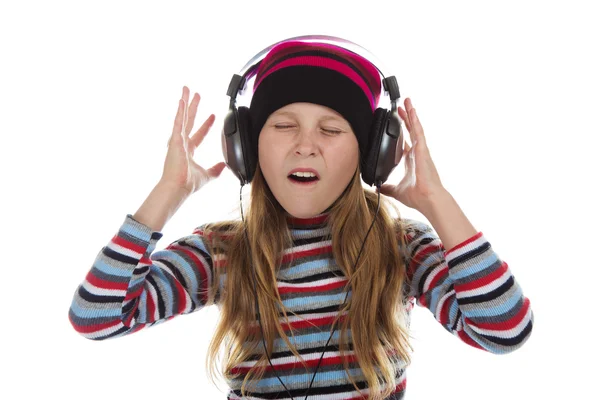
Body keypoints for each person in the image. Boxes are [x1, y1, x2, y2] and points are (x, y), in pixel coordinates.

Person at [68, 37, 534, 400]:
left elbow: (505, 330)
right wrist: (166, 196)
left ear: (373, 156)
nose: (305, 144)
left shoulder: (400, 246)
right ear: (245, 148)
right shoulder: (223, 251)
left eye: (331, 129)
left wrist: (436, 201)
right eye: (283, 125)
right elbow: (97, 316)